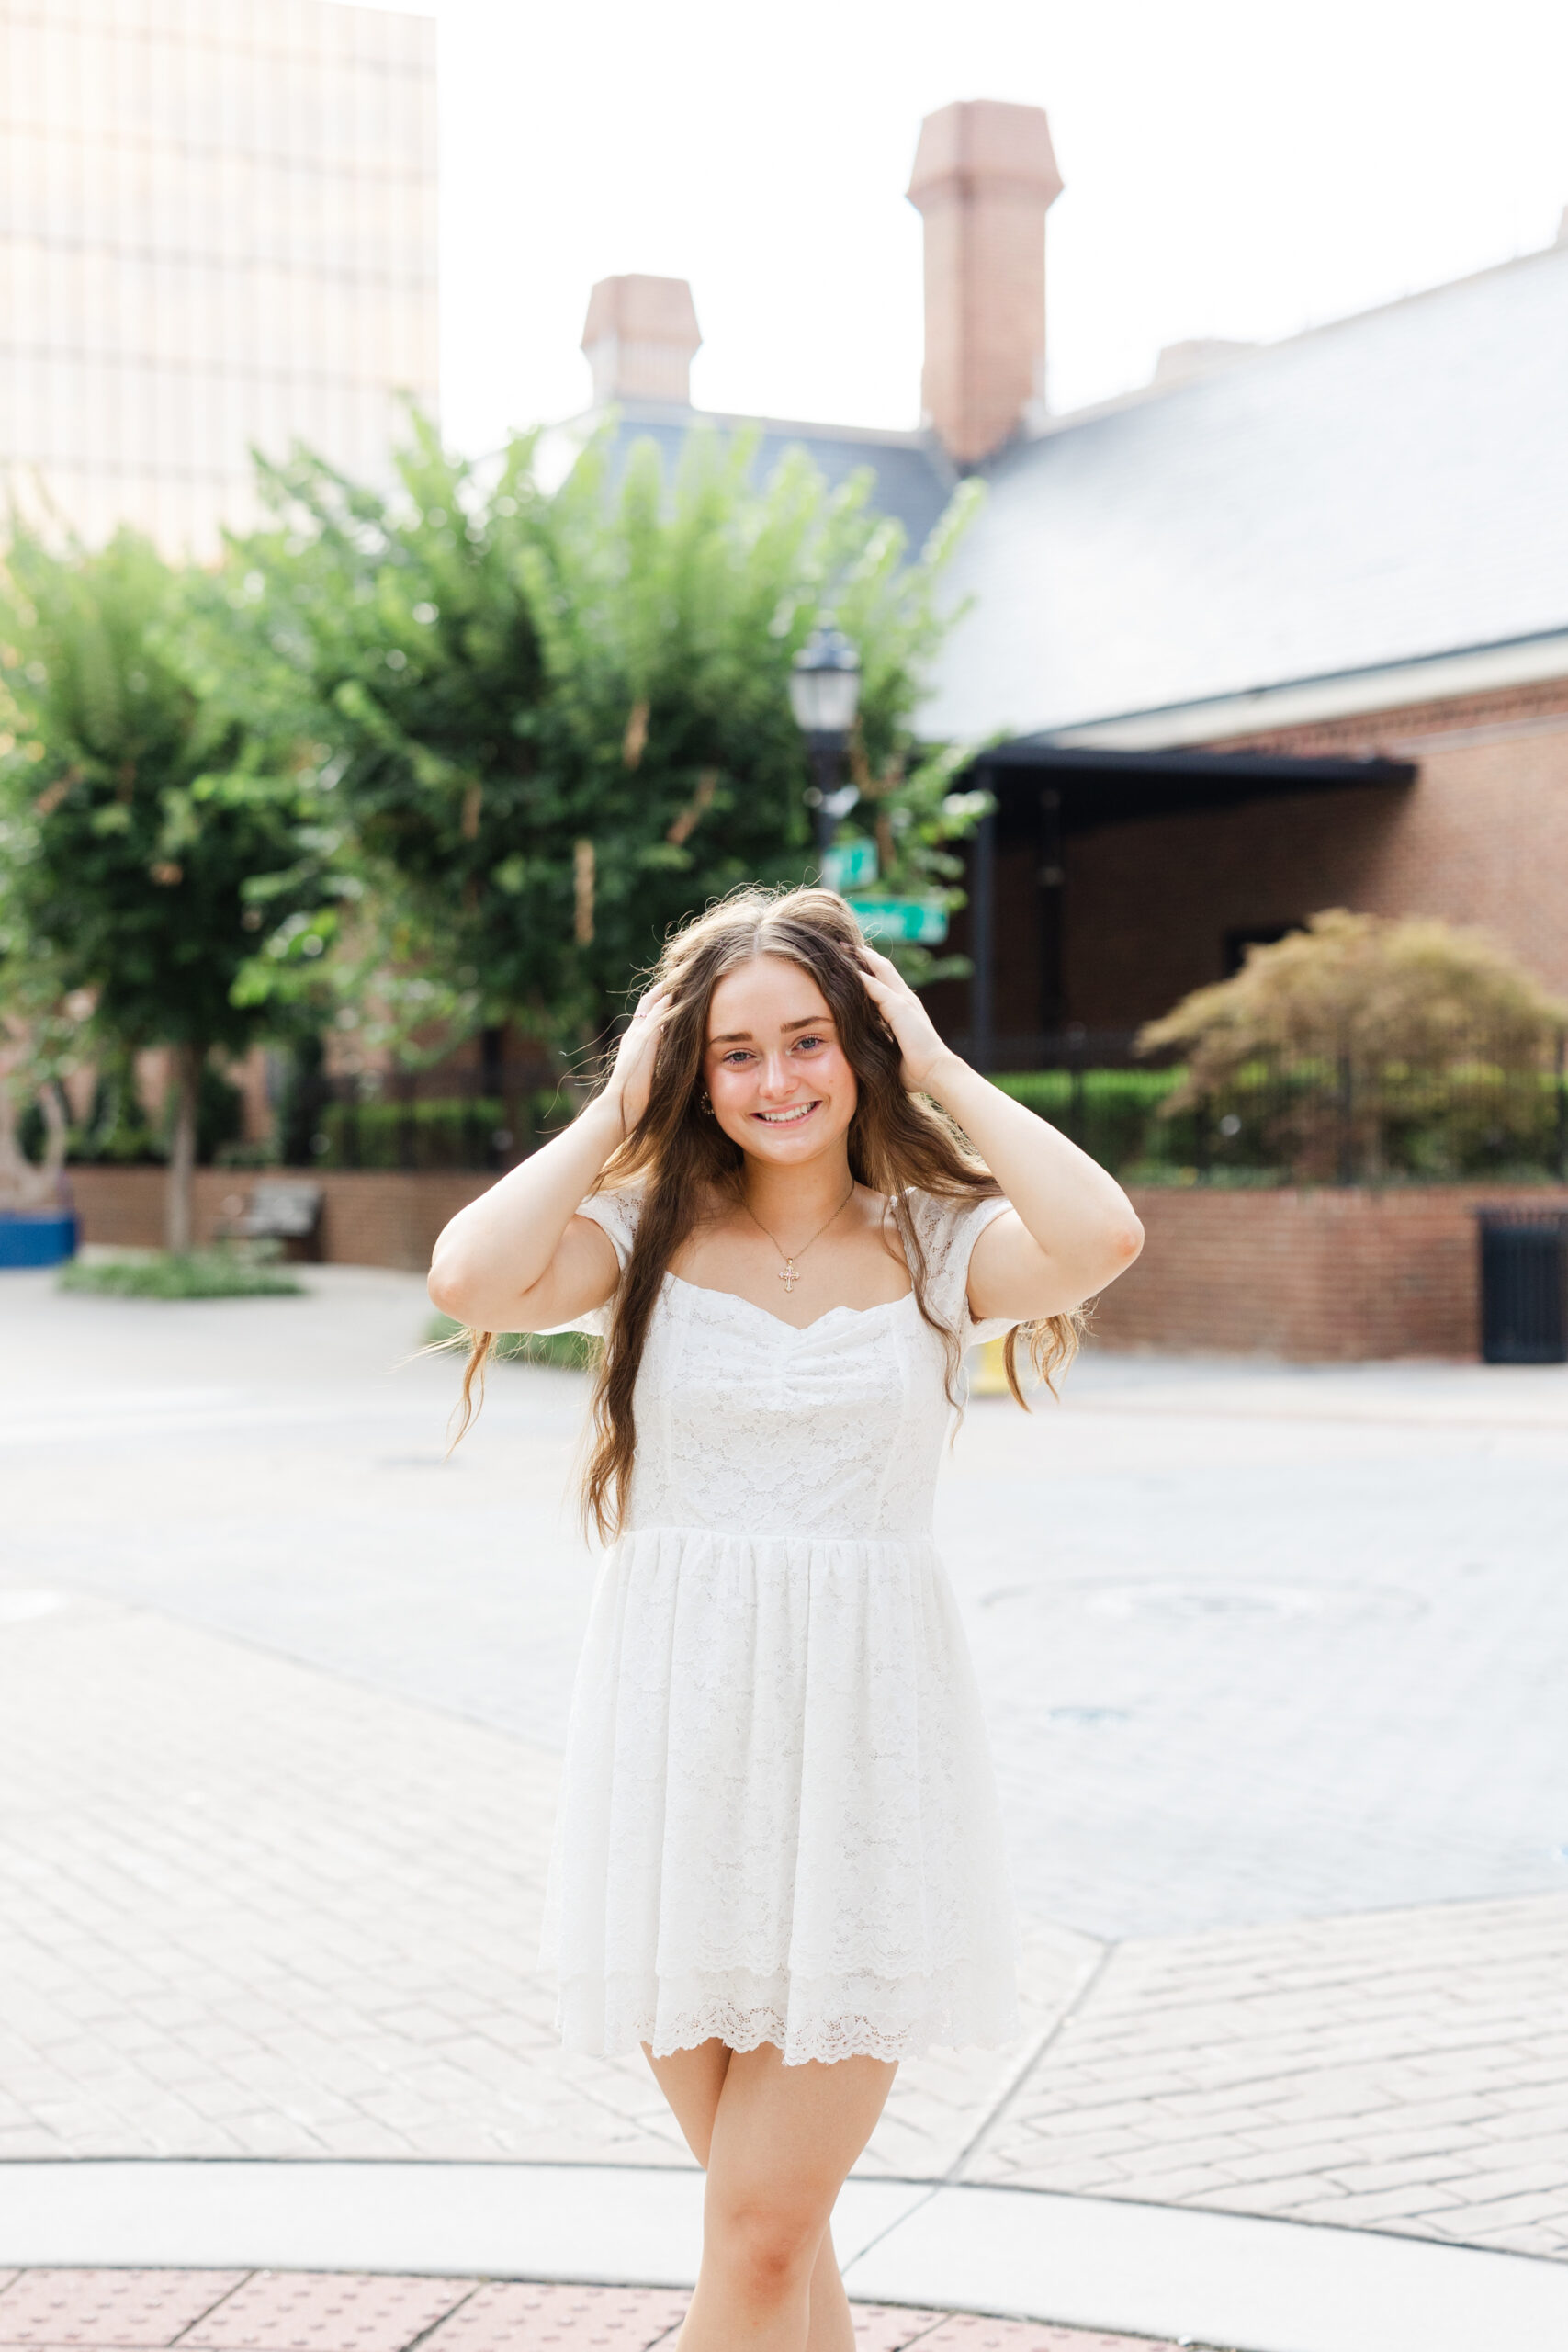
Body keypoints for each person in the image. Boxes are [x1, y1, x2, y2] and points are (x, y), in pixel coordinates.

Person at [428, 886, 1143, 2352]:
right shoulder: (635, 1243)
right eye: (734, 1053)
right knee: (774, 2238)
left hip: (868, 1769)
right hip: (678, 1762)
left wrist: (941, 1067)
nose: (776, 1081)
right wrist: (617, 1102)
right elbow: (469, 1276)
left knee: (755, 2237)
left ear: (861, 1046)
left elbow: (1104, 1235)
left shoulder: (940, 1248)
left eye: (809, 1041)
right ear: (694, 1072)